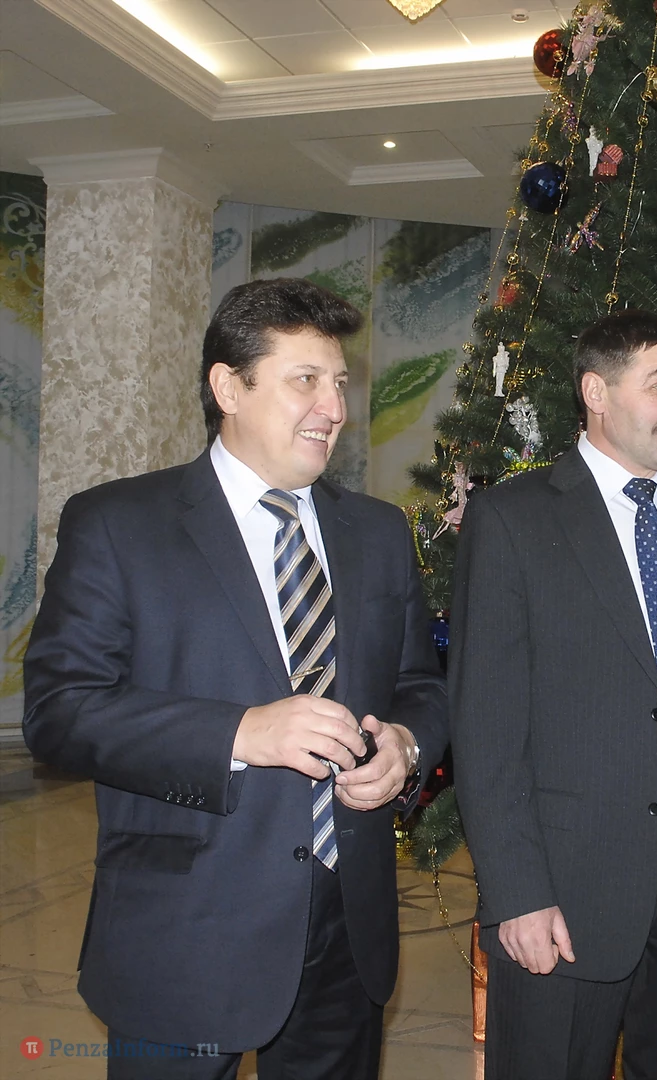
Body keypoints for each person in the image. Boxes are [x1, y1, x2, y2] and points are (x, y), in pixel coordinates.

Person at [23, 277, 449, 1080]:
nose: (334, 408)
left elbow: (418, 684)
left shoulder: (378, 531)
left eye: (339, 382)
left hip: (347, 928)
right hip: (184, 930)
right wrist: (242, 733)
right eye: (305, 380)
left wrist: (404, 742)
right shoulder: (118, 524)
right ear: (228, 387)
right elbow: (59, 711)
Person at [450, 310, 657, 1080]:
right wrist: (516, 892)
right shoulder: (513, 518)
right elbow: (485, 727)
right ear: (596, 392)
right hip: (570, 875)